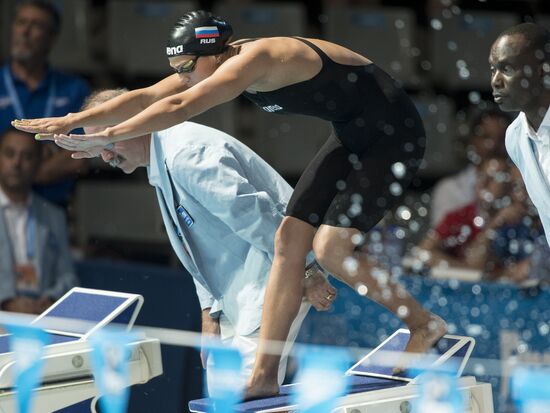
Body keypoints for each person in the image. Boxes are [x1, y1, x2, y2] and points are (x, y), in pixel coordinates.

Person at [13, 10, 446, 398]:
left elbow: (179, 105)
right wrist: (74, 121)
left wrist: (106, 136)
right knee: (288, 240)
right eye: (176, 68)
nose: (181, 76)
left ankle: (422, 324)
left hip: (393, 134)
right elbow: (147, 96)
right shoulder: (206, 64)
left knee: (329, 249)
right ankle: (264, 375)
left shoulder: (255, 59)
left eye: (185, 67)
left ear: (213, 54)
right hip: (352, 133)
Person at [76, 88, 336, 392]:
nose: (105, 155)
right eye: (97, 147)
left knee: (248, 395)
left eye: (107, 141)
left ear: (136, 121)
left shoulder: (187, 155)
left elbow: (258, 216)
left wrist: (306, 269)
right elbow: (196, 248)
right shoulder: (163, 158)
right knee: (222, 392)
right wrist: (209, 314)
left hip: (274, 273)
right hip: (236, 289)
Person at [0, 0, 90, 207]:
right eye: (21, 22)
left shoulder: (74, 89)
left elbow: (80, 156)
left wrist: (18, 176)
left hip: (53, 208)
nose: (25, 31)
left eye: (36, 25)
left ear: (52, 38)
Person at [0, 128, 77, 314]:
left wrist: (50, 299)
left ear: (38, 163)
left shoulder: (53, 215)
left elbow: (68, 277)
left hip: (41, 316)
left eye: (26, 156)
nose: (16, 163)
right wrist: (6, 302)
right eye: (10, 154)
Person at [489, 22, 550, 245]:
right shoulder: (514, 137)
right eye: (493, 69)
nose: (495, 80)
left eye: (507, 69)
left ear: (544, 71)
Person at [430, 108, 510, 227]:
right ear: (472, 140)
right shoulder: (449, 190)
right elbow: (443, 240)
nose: (493, 145)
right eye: (486, 137)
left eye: (502, 138)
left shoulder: (522, 188)